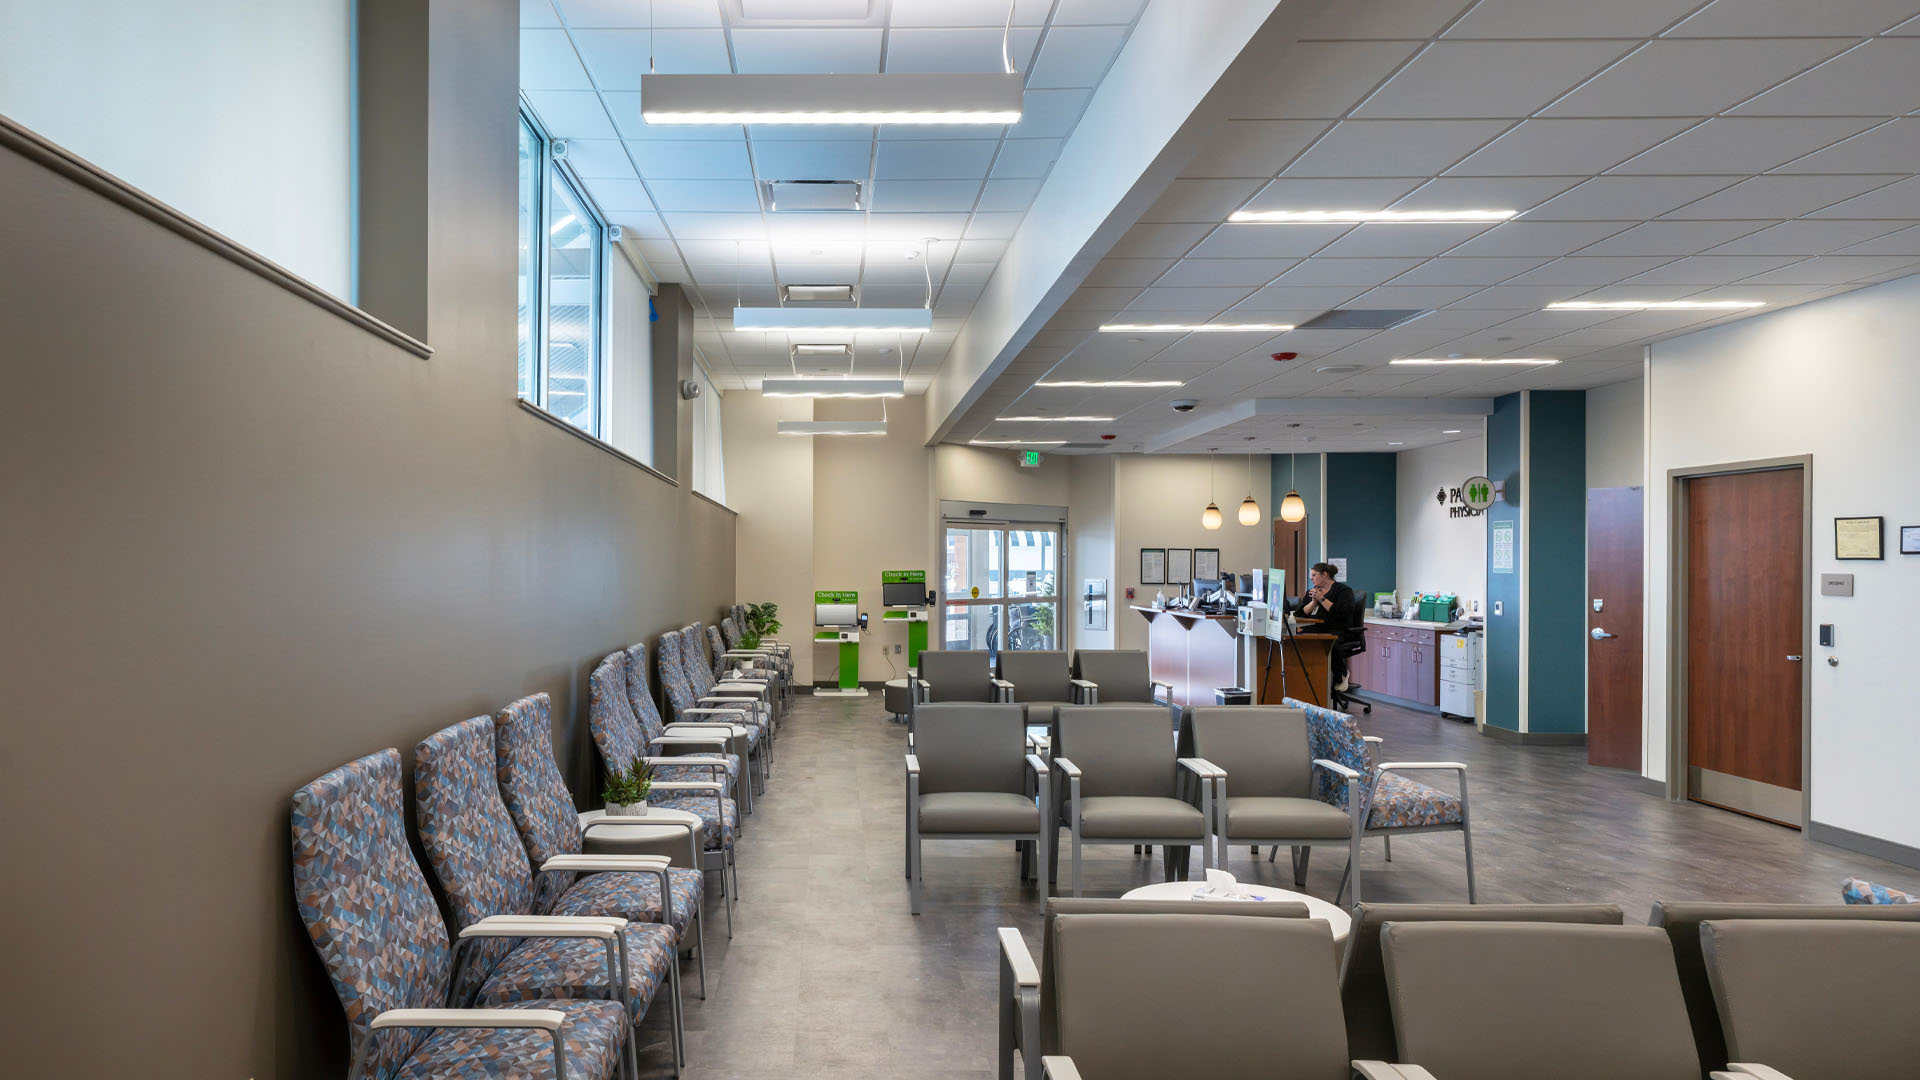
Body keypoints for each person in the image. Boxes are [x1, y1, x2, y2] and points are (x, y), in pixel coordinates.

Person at [1299, 562, 1364, 691]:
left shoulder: (1343, 591)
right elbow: (1300, 613)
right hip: (1315, 628)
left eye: (1314, 575)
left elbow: (1341, 614)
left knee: (1329, 641)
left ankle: (1341, 674)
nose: (1311, 578)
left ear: (1324, 575)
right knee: (1298, 639)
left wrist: (1322, 599)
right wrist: (1313, 602)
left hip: (1338, 630)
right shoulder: (1312, 591)